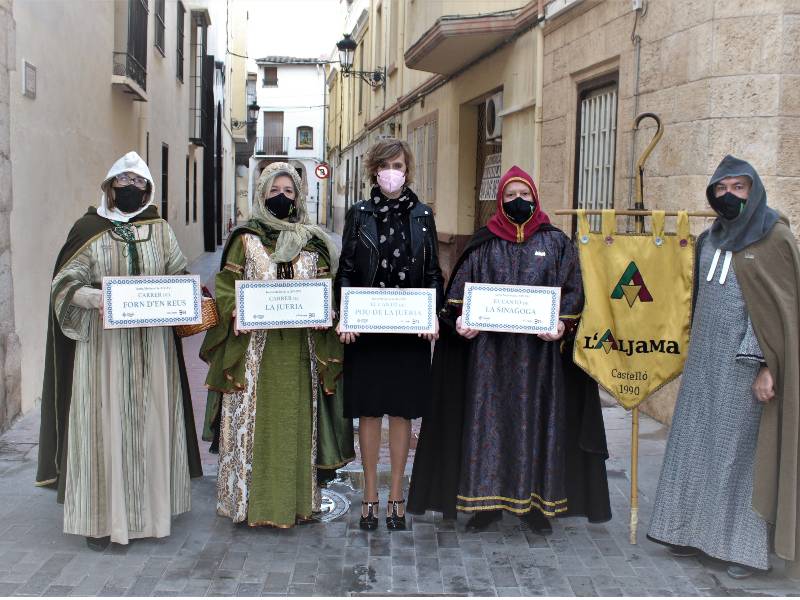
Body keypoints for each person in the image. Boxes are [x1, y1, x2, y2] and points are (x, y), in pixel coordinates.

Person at [408, 165, 611, 532]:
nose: (519, 201)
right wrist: (460, 323)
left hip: (540, 362)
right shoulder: (484, 243)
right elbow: (458, 296)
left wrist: (562, 324)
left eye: (524, 195)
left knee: (537, 424)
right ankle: (486, 505)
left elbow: (574, 290)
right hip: (489, 360)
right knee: (488, 426)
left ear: (535, 197)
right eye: (510, 196)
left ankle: (535, 506)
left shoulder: (555, 242)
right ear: (499, 201)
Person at [35, 151, 203, 550]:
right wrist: (95, 297)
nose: (130, 188)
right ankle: (100, 521)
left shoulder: (159, 230)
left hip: (153, 349)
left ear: (148, 188)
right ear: (109, 187)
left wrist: (185, 293)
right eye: (122, 182)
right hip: (103, 353)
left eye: (138, 182)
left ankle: (151, 516)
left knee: (150, 426)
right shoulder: (87, 228)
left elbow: (177, 273)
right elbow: (63, 282)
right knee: (103, 427)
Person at [648, 155, 800, 580]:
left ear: (753, 191)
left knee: (738, 456)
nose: (729, 195)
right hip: (703, 367)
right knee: (696, 447)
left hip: (745, 369)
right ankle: (689, 532)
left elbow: (780, 311)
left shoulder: (774, 238)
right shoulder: (709, 239)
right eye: (722, 188)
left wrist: (767, 366)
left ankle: (742, 548)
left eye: (739, 187)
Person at [201, 162, 354, 528]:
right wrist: (233, 309)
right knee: (252, 426)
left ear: (299, 196)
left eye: (288, 192)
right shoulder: (244, 238)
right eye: (274, 191)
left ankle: (296, 503)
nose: (281, 197)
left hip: (299, 354)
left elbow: (327, 287)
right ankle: (246, 503)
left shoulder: (314, 241)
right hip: (253, 353)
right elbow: (225, 283)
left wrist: (328, 310)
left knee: (293, 426)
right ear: (261, 194)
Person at [335, 138, 444, 530]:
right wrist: (345, 316)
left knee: (401, 412)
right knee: (368, 412)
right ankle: (369, 493)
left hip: (408, 330)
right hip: (367, 329)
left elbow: (433, 272)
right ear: (373, 170)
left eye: (398, 164)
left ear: (407, 170)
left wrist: (433, 315)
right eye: (384, 165)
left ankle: (396, 492)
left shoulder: (423, 214)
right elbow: (346, 269)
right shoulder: (359, 214)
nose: (391, 172)